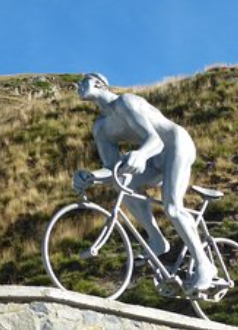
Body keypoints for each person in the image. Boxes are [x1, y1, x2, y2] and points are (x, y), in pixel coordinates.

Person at [73, 73, 216, 293]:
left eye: (84, 82)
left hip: (175, 145)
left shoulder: (125, 102)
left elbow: (156, 140)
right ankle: (157, 239)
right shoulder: (101, 127)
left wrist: (140, 155)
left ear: (99, 84)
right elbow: (112, 170)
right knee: (122, 183)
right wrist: (90, 176)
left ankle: (205, 265)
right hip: (152, 156)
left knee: (172, 208)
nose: (78, 86)